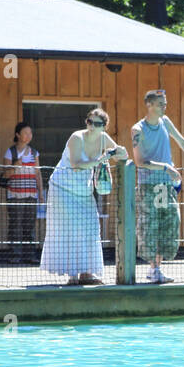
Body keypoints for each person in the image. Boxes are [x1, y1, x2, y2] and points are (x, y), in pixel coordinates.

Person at [132, 89, 184, 284]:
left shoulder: (165, 122)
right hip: (148, 185)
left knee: (169, 224)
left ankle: (157, 269)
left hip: (166, 185)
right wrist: (166, 167)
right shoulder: (138, 129)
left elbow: (183, 143)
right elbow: (139, 161)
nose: (164, 107)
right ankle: (153, 268)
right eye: (161, 103)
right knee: (149, 227)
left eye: (165, 103)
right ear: (149, 105)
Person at [41, 106, 126, 285]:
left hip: (84, 190)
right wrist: (102, 159)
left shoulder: (104, 138)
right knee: (69, 230)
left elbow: (120, 154)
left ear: (104, 126)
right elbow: (76, 164)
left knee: (90, 227)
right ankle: (72, 274)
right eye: (90, 122)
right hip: (62, 188)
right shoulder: (77, 137)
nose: (92, 126)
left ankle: (87, 273)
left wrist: (120, 152)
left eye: (97, 124)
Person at [1, 122, 42, 263]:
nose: (28, 136)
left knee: (29, 225)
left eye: (30, 133)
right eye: (25, 133)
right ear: (17, 135)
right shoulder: (10, 152)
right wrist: (17, 164)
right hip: (14, 194)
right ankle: (14, 256)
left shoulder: (35, 153)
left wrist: (41, 193)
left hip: (31, 194)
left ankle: (29, 255)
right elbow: (5, 173)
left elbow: (38, 173)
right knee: (15, 224)